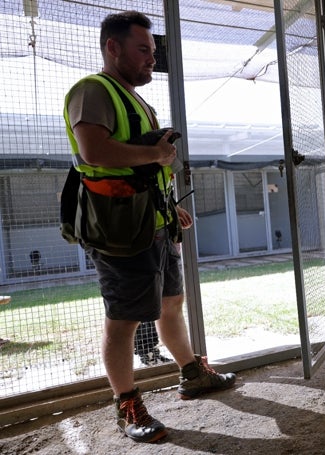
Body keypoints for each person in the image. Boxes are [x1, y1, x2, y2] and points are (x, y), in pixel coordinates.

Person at [63, 11, 235, 443]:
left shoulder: (137, 100)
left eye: (153, 53)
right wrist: (159, 157)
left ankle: (192, 373)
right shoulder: (92, 90)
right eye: (143, 50)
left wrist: (168, 207)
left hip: (153, 220)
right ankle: (127, 406)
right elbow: (95, 149)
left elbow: (142, 167)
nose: (150, 61)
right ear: (113, 47)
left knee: (172, 304)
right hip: (119, 227)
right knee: (122, 322)